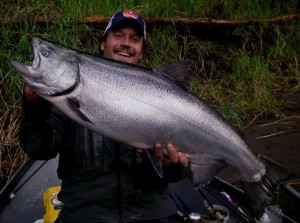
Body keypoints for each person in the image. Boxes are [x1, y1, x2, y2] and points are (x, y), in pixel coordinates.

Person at [19, 10, 190, 223]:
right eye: (118, 35)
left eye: (135, 39)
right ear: (103, 43)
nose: (126, 43)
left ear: (141, 52)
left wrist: (173, 166)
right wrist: (35, 109)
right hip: (85, 216)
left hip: (151, 215)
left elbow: (179, 174)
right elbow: (40, 150)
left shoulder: (164, 101)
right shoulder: (66, 99)